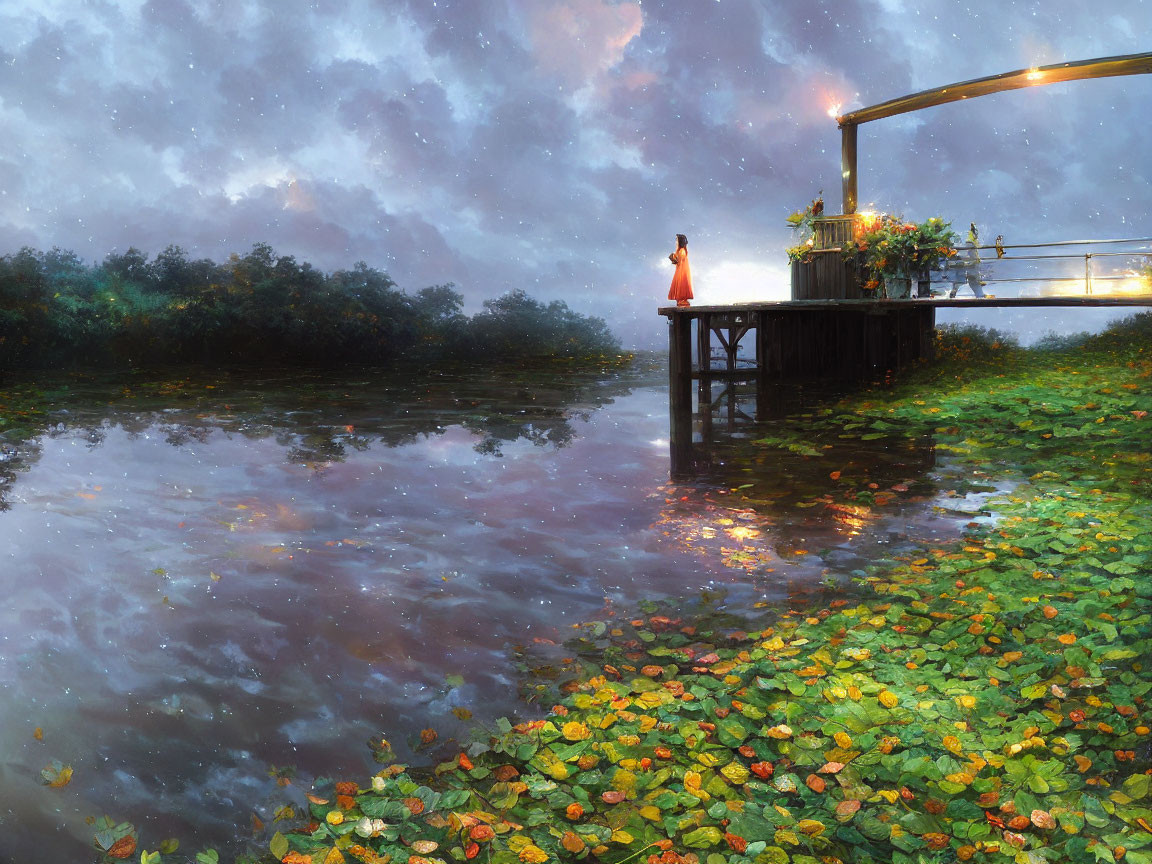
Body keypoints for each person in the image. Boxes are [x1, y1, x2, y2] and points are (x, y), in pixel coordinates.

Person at [947, 223, 986, 298]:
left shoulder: (963, 237)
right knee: (973, 280)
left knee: (960, 277)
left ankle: (954, 291)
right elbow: (977, 247)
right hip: (970, 258)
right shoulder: (972, 238)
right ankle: (980, 296)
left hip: (961, 258)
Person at [668, 234, 693, 307]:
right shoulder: (680, 251)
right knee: (679, 284)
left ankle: (682, 300)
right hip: (680, 270)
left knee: (681, 284)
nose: (676, 242)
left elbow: (679, 260)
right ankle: (680, 300)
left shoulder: (682, 251)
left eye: (676, 240)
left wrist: (673, 257)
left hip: (682, 271)